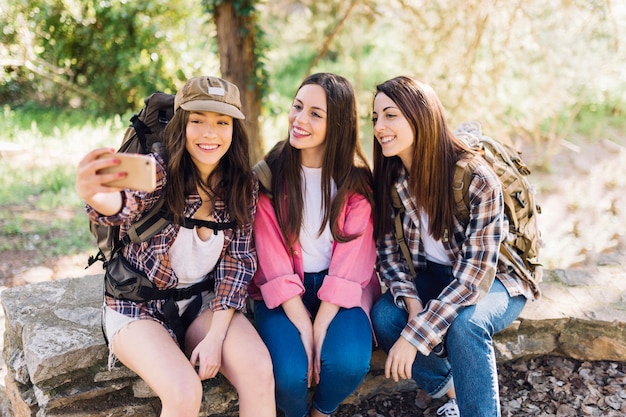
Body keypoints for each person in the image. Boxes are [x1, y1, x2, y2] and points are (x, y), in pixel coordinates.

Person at [76, 76, 276, 417]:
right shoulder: (158, 170)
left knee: (258, 371)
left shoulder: (244, 185)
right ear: (181, 125)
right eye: (197, 120)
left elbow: (238, 263)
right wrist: (96, 194)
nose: (209, 133)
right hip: (137, 305)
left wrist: (215, 338)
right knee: (184, 392)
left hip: (201, 301)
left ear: (234, 129)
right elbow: (122, 202)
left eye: (221, 122)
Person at [369, 76, 540, 417]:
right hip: (435, 275)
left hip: (497, 279)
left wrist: (415, 335)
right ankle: (452, 392)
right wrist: (414, 306)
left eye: (390, 115)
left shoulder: (476, 178)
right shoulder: (391, 179)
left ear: (420, 115)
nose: (379, 127)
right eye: (374, 118)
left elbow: (472, 281)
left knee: (467, 326)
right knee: (386, 317)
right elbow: (388, 255)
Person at [248, 72, 381, 417]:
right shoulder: (268, 176)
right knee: (290, 375)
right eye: (297, 107)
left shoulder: (356, 183)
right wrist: (303, 326)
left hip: (340, 289)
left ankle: (320, 412)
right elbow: (270, 255)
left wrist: (320, 325)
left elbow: (353, 261)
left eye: (315, 114)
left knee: (349, 363)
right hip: (281, 291)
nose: (299, 119)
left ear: (337, 124)